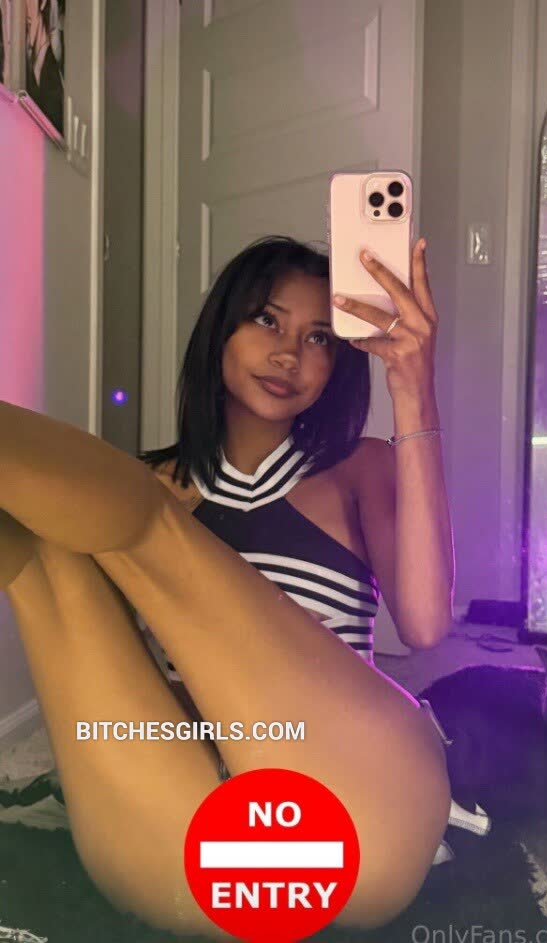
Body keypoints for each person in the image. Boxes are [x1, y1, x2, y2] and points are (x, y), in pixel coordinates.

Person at [0, 235, 456, 939]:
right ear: (221, 329)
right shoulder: (123, 492)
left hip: (354, 817)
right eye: (267, 320)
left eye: (319, 338)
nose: (288, 354)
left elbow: (424, 625)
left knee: (140, 521)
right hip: (182, 847)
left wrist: (413, 389)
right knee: (46, 544)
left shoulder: (358, 471)